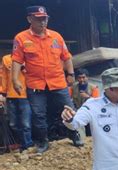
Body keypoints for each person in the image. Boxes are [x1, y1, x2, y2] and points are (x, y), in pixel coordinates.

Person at [12, 6, 80, 153]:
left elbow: (66, 57)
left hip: (57, 81)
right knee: (38, 114)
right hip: (35, 84)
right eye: (38, 19)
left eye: (45, 19)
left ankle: (74, 134)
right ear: (30, 19)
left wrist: (71, 74)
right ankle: (43, 141)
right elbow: (16, 60)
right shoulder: (21, 38)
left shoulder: (56, 37)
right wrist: (15, 80)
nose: (42, 22)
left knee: (69, 109)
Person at [1, 54, 33, 151]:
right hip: (10, 95)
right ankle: (22, 143)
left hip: (25, 95)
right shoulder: (6, 59)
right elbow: (4, 77)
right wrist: (3, 92)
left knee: (26, 124)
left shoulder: (29, 58)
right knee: (13, 124)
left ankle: (28, 145)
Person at [69, 68, 100, 146]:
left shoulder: (94, 88)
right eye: (79, 77)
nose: (81, 79)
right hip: (78, 111)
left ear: (87, 77)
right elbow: (69, 99)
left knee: (91, 131)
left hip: (90, 112)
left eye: (83, 77)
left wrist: (87, 97)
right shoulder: (73, 87)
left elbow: (97, 102)